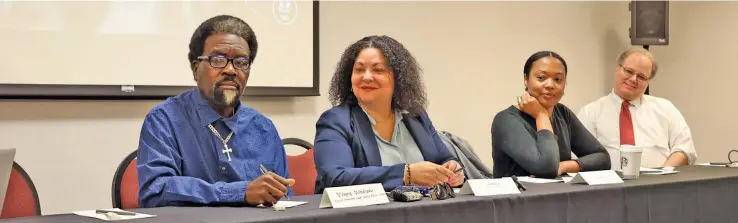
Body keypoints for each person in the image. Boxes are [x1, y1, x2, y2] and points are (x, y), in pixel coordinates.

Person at [136, 15, 293, 208]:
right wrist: (239, 192)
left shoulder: (263, 128)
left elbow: (285, 200)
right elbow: (155, 189)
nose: (231, 70)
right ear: (195, 68)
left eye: (241, 62)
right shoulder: (165, 120)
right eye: (218, 59)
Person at [313, 35, 464, 193]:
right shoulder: (335, 120)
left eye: (378, 70)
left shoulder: (415, 115)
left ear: (399, 78)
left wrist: (452, 170)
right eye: (359, 69)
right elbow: (336, 178)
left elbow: (444, 159)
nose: (366, 77)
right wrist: (406, 174)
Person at [491, 51, 611, 179]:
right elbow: (546, 168)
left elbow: (602, 158)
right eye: (541, 78)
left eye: (558, 79)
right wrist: (541, 115)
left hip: (559, 196)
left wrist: (564, 166)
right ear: (526, 80)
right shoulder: (506, 120)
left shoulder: (563, 113)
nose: (550, 85)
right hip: (518, 197)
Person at [577, 48, 697, 168]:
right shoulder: (590, 113)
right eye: (629, 71)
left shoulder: (666, 109)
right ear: (617, 68)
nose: (633, 79)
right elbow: (579, 159)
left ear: (648, 82)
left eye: (641, 77)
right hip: (607, 185)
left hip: (660, 183)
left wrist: (663, 175)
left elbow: (685, 149)